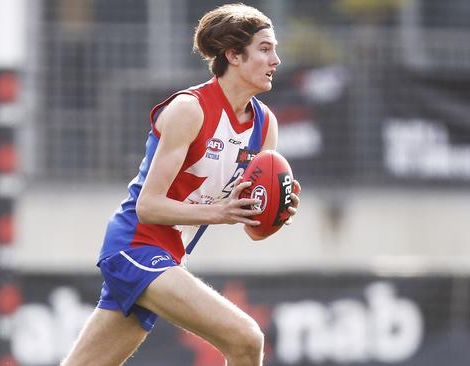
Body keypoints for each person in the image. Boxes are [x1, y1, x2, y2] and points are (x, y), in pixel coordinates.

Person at [62, 3, 300, 366]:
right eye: (265, 48)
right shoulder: (190, 109)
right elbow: (148, 206)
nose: (276, 59)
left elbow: (254, 228)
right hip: (135, 246)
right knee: (246, 339)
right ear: (233, 55)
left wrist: (275, 211)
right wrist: (218, 212)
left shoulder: (264, 125)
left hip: (170, 255)